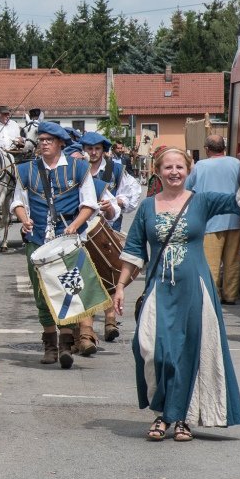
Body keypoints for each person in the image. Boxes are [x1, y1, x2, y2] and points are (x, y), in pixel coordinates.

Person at [114, 144, 240, 441]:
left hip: (195, 289)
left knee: (189, 352)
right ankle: (166, 409)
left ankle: (175, 418)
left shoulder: (202, 201)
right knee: (150, 349)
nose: (174, 172)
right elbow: (133, 250)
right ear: (157, 172)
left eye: (179, 167)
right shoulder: (146, 207)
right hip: (159, 287)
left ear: (188, 170)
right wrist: (120, 286)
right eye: (168, 167)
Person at [11, 122, 98, 368]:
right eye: (41, 139)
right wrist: (23, 218)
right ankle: (49, 343)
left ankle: (65, 343)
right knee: (41, 294)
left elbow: (89, 204)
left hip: (67, 241)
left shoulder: (79, 168)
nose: (44, 143)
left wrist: (74, 225)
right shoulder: (26, 170)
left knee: (69, 291)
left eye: (49, 139)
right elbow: (18, 201)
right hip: (37, 240)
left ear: (61, 143)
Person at [80, 131, 142, 341]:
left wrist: (116, 202)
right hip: (82, 230)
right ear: (84, 150)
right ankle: (87, 327)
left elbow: (132, 192)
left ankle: (109, 320)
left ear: (103, 151)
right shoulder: (78, 168)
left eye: (97, 149)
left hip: (108, 228)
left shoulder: (115, 169)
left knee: (109, 273)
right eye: (90, 148)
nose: (94, 152)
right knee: (87, 277)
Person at [185, 135, 240, 305]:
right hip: (234, 218)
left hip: (210, 220)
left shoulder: (200, 166)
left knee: (211, 261)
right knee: (232, 261)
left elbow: (188, 188)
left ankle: (212, 294)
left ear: (207, 149)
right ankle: (231, 295)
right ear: (224, 148)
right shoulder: (236, 163)